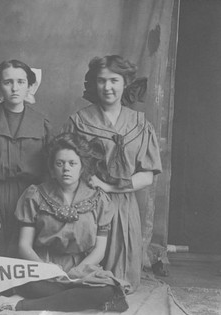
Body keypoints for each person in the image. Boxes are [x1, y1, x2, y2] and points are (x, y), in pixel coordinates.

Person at [0, 133, 128, 312]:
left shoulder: (99, 199)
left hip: (82, 266)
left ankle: (19, 304)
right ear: (52, 168)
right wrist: (47, 269)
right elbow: (24, 246)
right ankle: (76, 299)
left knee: (107, 289)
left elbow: (100, 250)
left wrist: (76, 272)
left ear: (82, 166)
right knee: (29, 285)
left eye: (72, 163)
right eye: (60, 163)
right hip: (42, 266)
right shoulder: (35, 195)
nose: (66, 169)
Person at [63, 55, 162, 291]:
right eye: (101, 81)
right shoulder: (79, 121)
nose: (108, 87)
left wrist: (109, 187)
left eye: (114, 80)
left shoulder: (139, 124)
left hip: (124, 205)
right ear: (94, 84)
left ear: (126, 82)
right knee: (83, 280)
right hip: (86, 204)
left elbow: (147, 175)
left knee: (122, 282)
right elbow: (65, 164)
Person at [0, 59, 52, 256]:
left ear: (30, 86)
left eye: (21, 82)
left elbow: (50, 170)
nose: (15, 88)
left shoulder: (42, 123)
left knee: (24, 253)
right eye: (8, 82)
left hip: (30, 196)